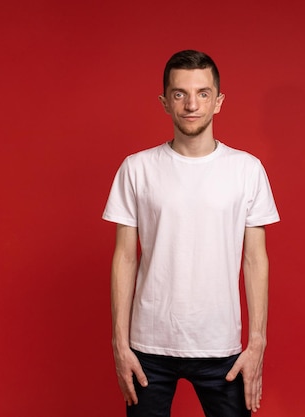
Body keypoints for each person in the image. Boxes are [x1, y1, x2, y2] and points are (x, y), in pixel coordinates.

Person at [102, 49, 280, 417]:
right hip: (148, 347)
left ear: (218, 102)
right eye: (180, 93)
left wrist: (257, 343)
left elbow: (255, 258)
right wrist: (120, 344)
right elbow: (124, 256)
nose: (191, 104)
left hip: (221, 347)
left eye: (202, 93)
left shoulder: (246, 169)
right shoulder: (137, 168)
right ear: (165, 102)